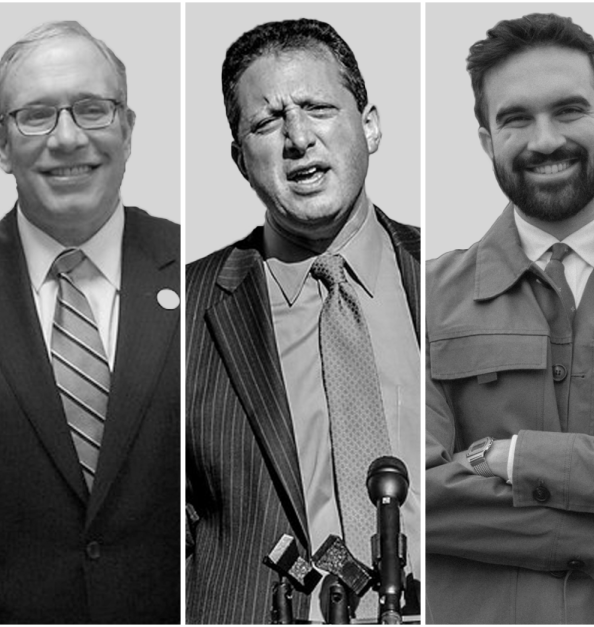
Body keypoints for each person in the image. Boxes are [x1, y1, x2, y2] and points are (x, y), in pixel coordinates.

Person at [425, 13, 594, 624]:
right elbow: (408, 496)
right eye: (516, 118)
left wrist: (510, 458)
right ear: (486, 141)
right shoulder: (418, 296)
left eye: (569, 111)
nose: (545, 140)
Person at [185, 18, 421, 624]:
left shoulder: (446, 275)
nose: (298, 138)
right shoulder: (186, 308)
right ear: (240, 158)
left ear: (369, 125)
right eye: (267, 122)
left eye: (318, 108)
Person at [0, 21, 179, 623]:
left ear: (127, 130)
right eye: (37, 115)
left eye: (93, 110)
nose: (69, 138)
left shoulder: (204, 272)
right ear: (1, 145)